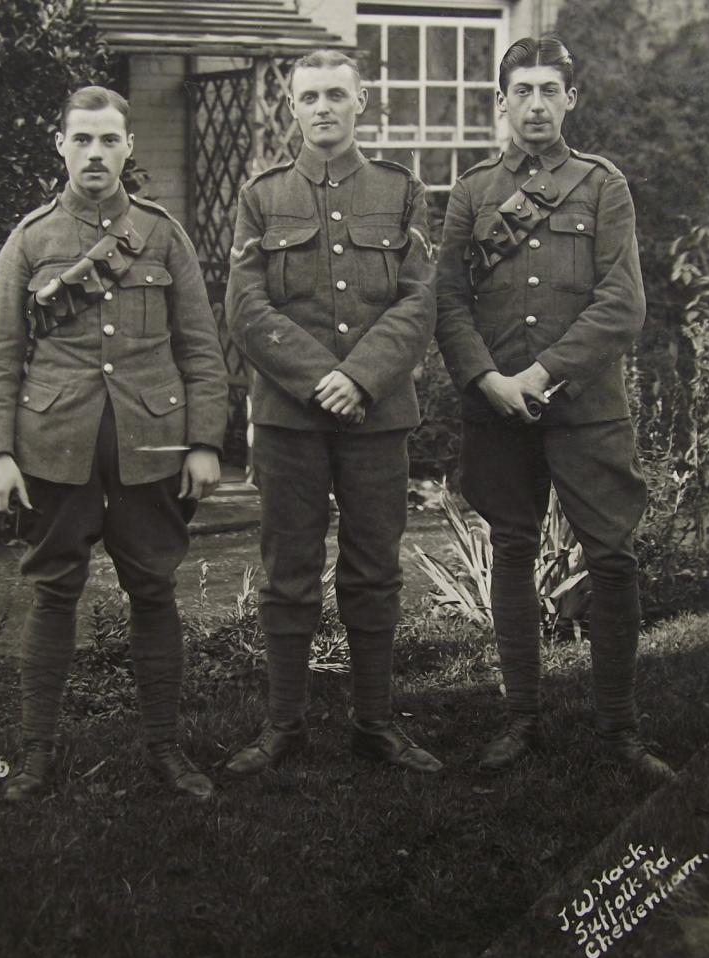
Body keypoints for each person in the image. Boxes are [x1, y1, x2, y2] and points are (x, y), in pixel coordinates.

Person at [0, 86, 228, 802]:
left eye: (108, 140)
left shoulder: (162, 235)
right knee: (54, 591)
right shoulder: (30, 241)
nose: (95, 153)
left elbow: (201, 349)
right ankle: (36, 753)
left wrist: (205, 442)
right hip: (54, 445)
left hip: (152, 445)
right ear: (60, 145)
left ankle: (165, 748)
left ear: (128, 147)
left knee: (153, 589)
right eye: (82, 139)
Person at [435, 36, 673, 779]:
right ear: (500, 102)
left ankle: (620, 731)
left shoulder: (601, 186)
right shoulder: (474, 192)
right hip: (497, 408)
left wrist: (541, 372)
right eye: (522, 90)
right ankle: (521, 720)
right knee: (512, 548)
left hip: (586, 408)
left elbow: (621, 304)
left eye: (549, 90)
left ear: (571, 100)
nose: (535, 104)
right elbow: (449, 301)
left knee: (612, 556)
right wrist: (487, 379)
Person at [224, 50, 442, 775]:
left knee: (375, 568)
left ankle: (374, 723)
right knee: (288, 569)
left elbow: (419, 299)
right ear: (293, 107)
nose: (323, 108)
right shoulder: (262, 197)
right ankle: (283, 726)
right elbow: (246, 307)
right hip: (290, 419)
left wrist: (362, 378)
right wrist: (323, 378)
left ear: (361, 103)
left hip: (376, 418)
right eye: (310, 97)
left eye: (336, 96)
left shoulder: (401, 191)